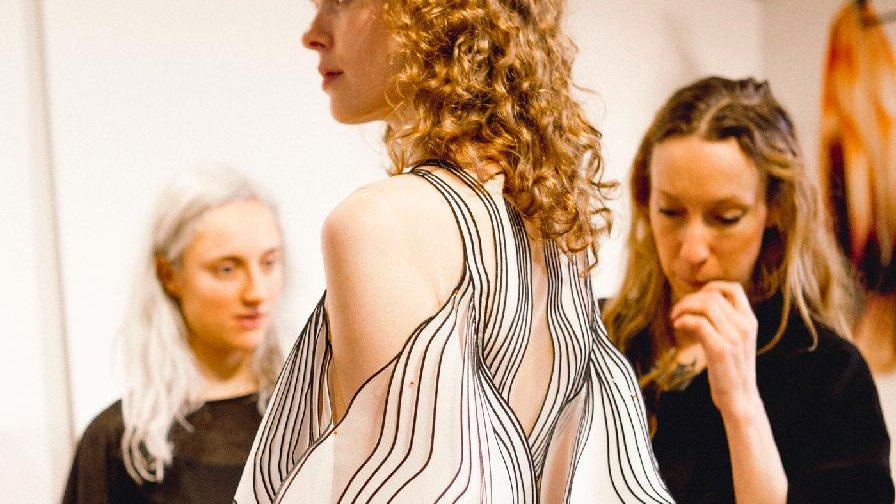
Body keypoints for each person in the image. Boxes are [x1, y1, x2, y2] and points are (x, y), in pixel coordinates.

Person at [234, 0, 672, 502]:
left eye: (340, 2)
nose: (312, 35)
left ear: (431, 12)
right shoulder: (548, 222)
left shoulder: (377, 224)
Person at [603, 76, 894, 503]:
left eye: (725, 217)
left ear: (773, 209)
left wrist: (741, 405)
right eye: (670, 211)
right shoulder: (598, 335)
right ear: (646, 199)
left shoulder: (826, 373)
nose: (693, 249)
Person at [62, 167, 286, 503]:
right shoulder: (120, 444)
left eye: (269, 263)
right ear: (169, 275)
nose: (256, 292)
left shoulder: (316, 416)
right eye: (227, 269)